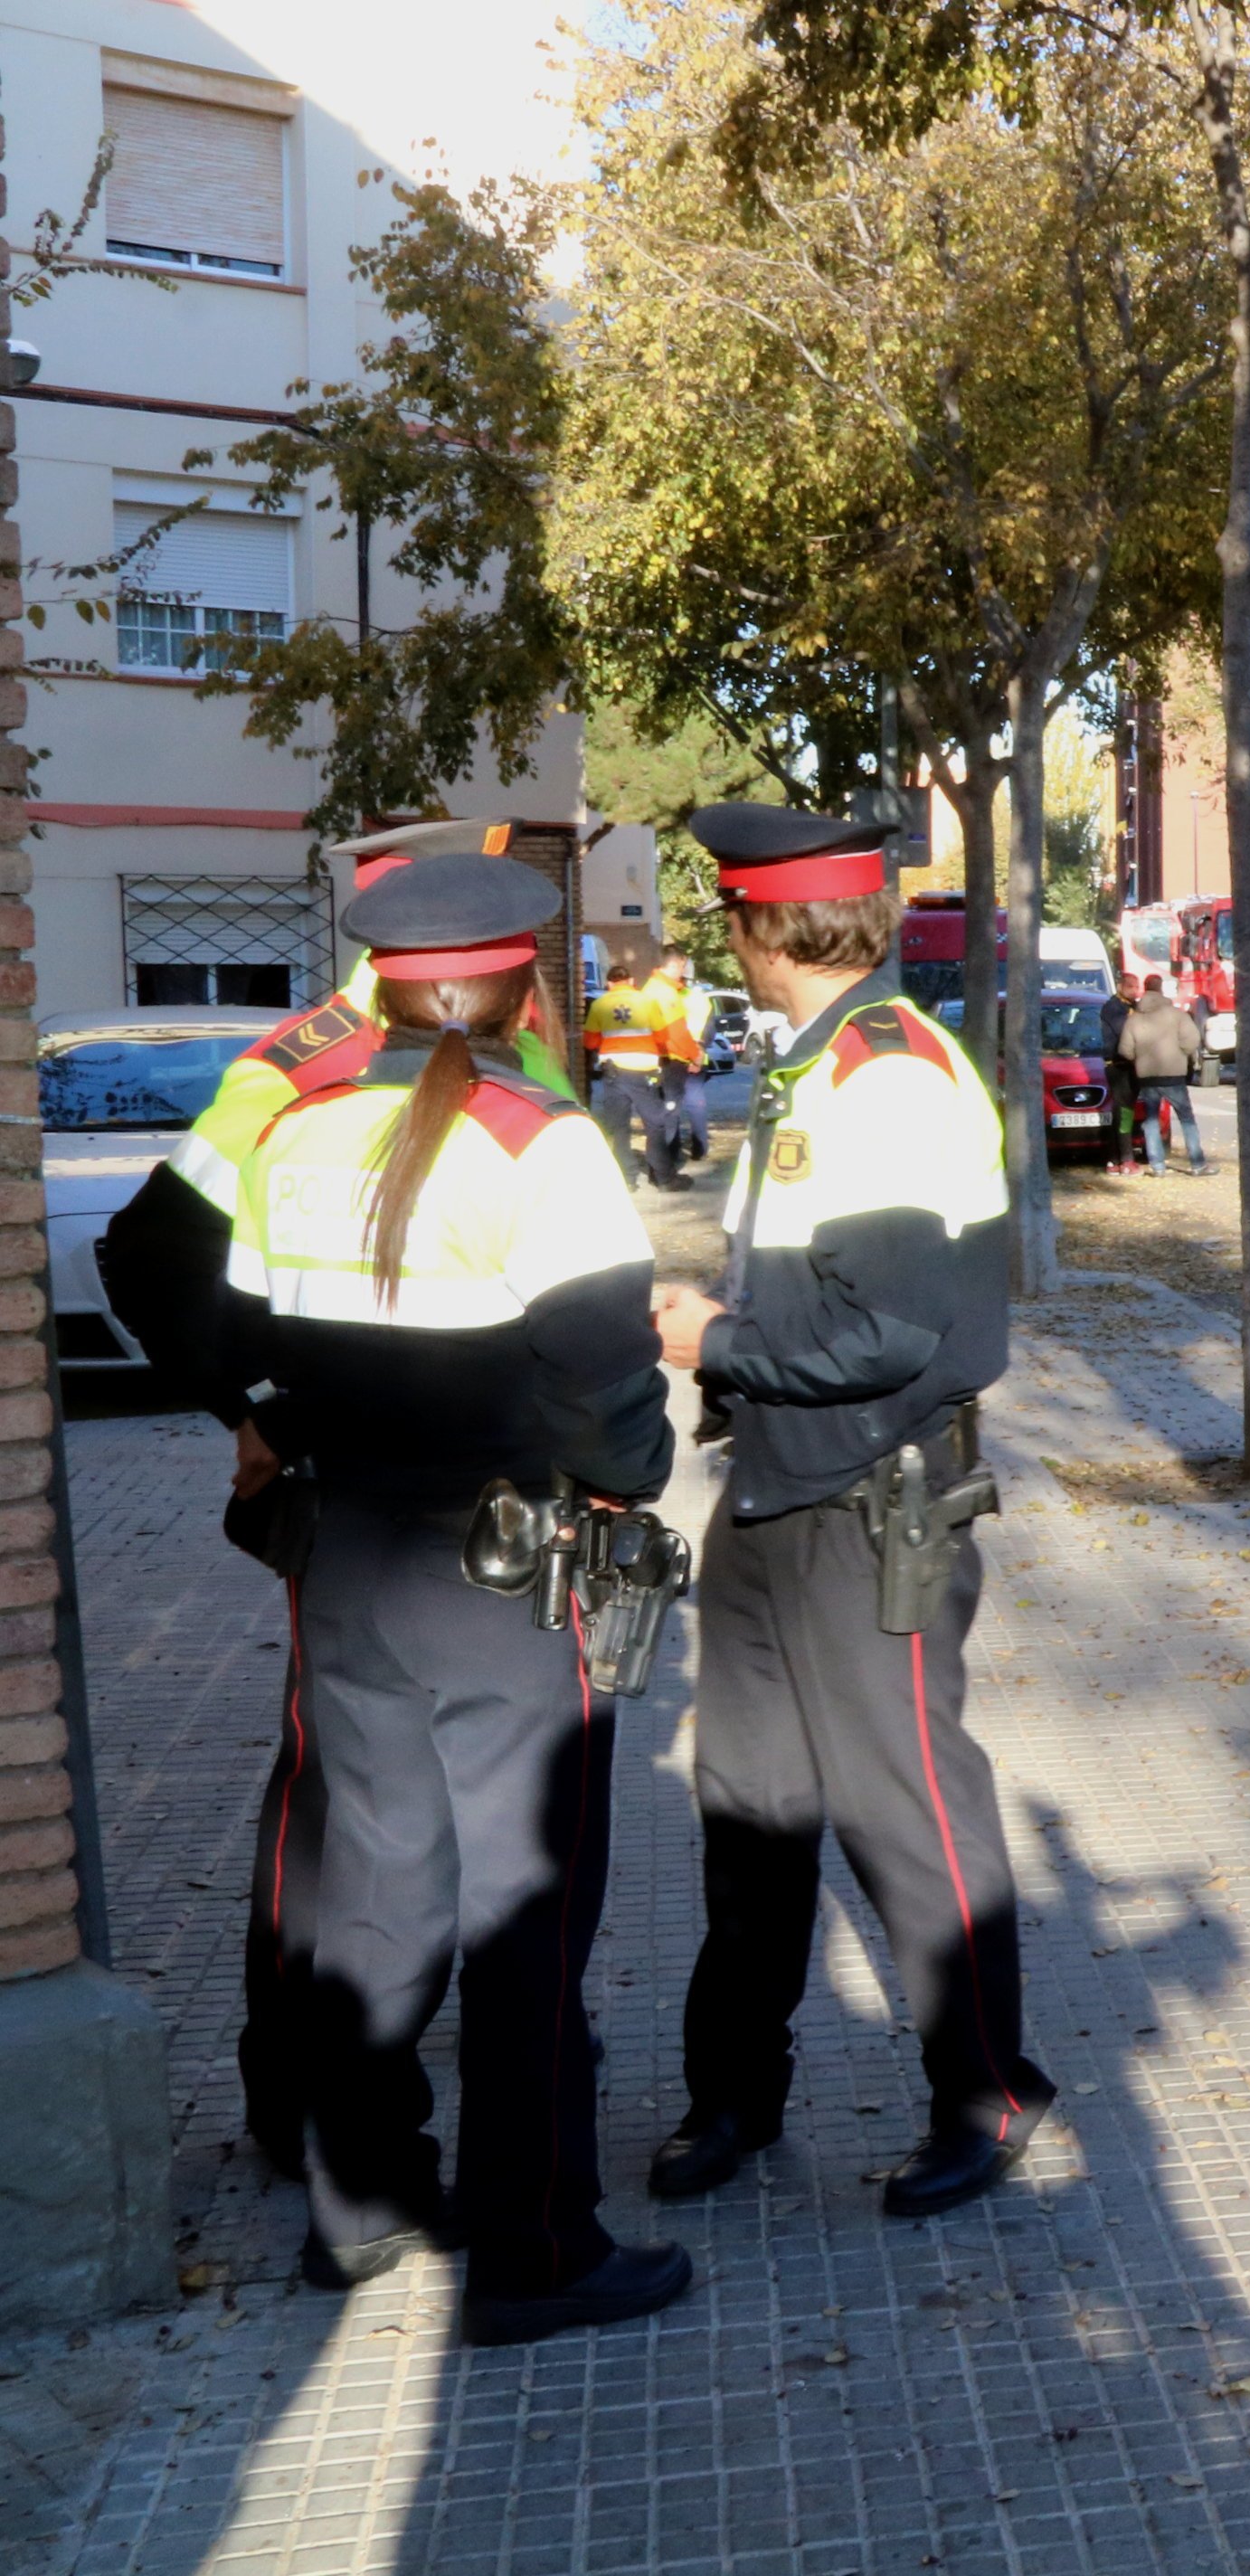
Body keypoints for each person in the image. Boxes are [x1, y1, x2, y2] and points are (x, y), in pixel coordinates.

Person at [113, 848, 691, 2343]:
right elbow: (611, 1403)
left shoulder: (300, 1121)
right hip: (505, 1578)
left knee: (366, 1892)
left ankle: (359, 2204)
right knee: (525, 1911)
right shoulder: (540, 1136)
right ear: (518, 976)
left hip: (348, 1563)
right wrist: (631, 1488)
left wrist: (273, 1416)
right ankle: (534, 2247)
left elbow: (232, 1316)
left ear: (381, 973)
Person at [94, 817, 575, 2192]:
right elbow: (147, 1254)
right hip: (366, 1499)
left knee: (455, 1813)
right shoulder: (294, 1071)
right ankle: (299, 2092)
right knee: (331, 1812)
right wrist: (248, 1413)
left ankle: (508, 2086)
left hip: (480, 1503)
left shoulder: (511, 1055)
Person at [644, 804, 1053, 2221]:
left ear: (771, 928)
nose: (727, 946)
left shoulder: (885, 1076)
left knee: (906, 1805)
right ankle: (734, 2093)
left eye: (730, 922)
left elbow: (889, 1330)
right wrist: (732, 1360)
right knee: (750, 1804)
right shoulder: (815, 1066)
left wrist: (715, 1343)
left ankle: (989, 2089)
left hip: (870, 1499)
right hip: (779, 1483)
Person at [584, 958, 687, 1189]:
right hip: (643, 1072)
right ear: (631, 981)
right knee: (655, 1123)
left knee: (619, 1127)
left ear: (609, 984)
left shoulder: (600, 1005)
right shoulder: (647, 1002)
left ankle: (627, 1179)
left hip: (614, 1074)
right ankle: (664, 1178)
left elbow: (590, 1041)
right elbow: (662, 1037)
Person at [1120, 975, 1209, 1174]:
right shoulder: (1177, 1016)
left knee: (1150, 1120)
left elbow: (1125, 1050)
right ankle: (1197, 1163)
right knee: (1186, 1118)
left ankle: (1157, 1166)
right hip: (1173, 1074)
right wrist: (1180, 1054)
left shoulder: (1134, 1019)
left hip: (1147, 1077)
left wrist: (1140, 1058)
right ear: (1161, 989)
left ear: (1145, 988)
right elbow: (1192, 1039)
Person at [648, 946, 714, 1163]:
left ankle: (669, 1157)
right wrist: (696, 1053)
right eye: (681, 966)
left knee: (664, 1110)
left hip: (664, 1058)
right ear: (676, 965)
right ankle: (692, 1150)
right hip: (678, 1057)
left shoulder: (650, 989)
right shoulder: (674, 995)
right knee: (684, 1106)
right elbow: (683, 1031)